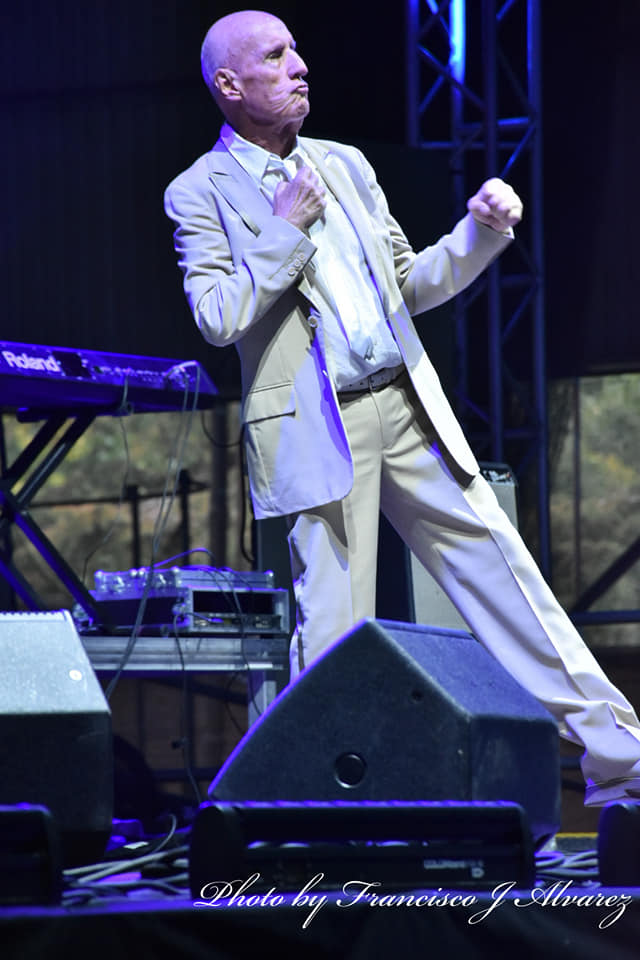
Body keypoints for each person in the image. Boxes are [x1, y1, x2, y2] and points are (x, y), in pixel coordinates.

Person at [164, 9, 640, 808]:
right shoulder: (197, 191)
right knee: (332, 629)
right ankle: (325, 809)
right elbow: (217, 317)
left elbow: (408, 284)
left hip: (406, 403)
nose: (299, 65)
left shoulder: (344, 165)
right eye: (275, 56)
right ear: (230, 85)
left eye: (296, 49)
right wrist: (283, 232)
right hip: (318, 428)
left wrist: (477, 235)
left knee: (509, 581)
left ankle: (622, 760)